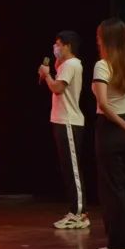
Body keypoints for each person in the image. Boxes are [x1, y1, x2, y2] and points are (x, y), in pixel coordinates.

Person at [91, 18, 125, 249]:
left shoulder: (103, 65)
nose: (97, 40)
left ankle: (120, 245)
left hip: (112, 127)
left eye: (99, 36)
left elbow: (103, 103)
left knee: (113, 188)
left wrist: (121, 124)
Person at [39, 31, 90, 230]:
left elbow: (57, 88)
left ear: (68, 46)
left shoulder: (72, 64)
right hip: (61, 120)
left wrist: (47, 75)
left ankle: (79, 213)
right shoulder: (65, 65)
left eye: (59, 44)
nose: (56, 48)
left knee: (73, 170)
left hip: (69, 121)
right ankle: (75, 211)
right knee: (68, 169)